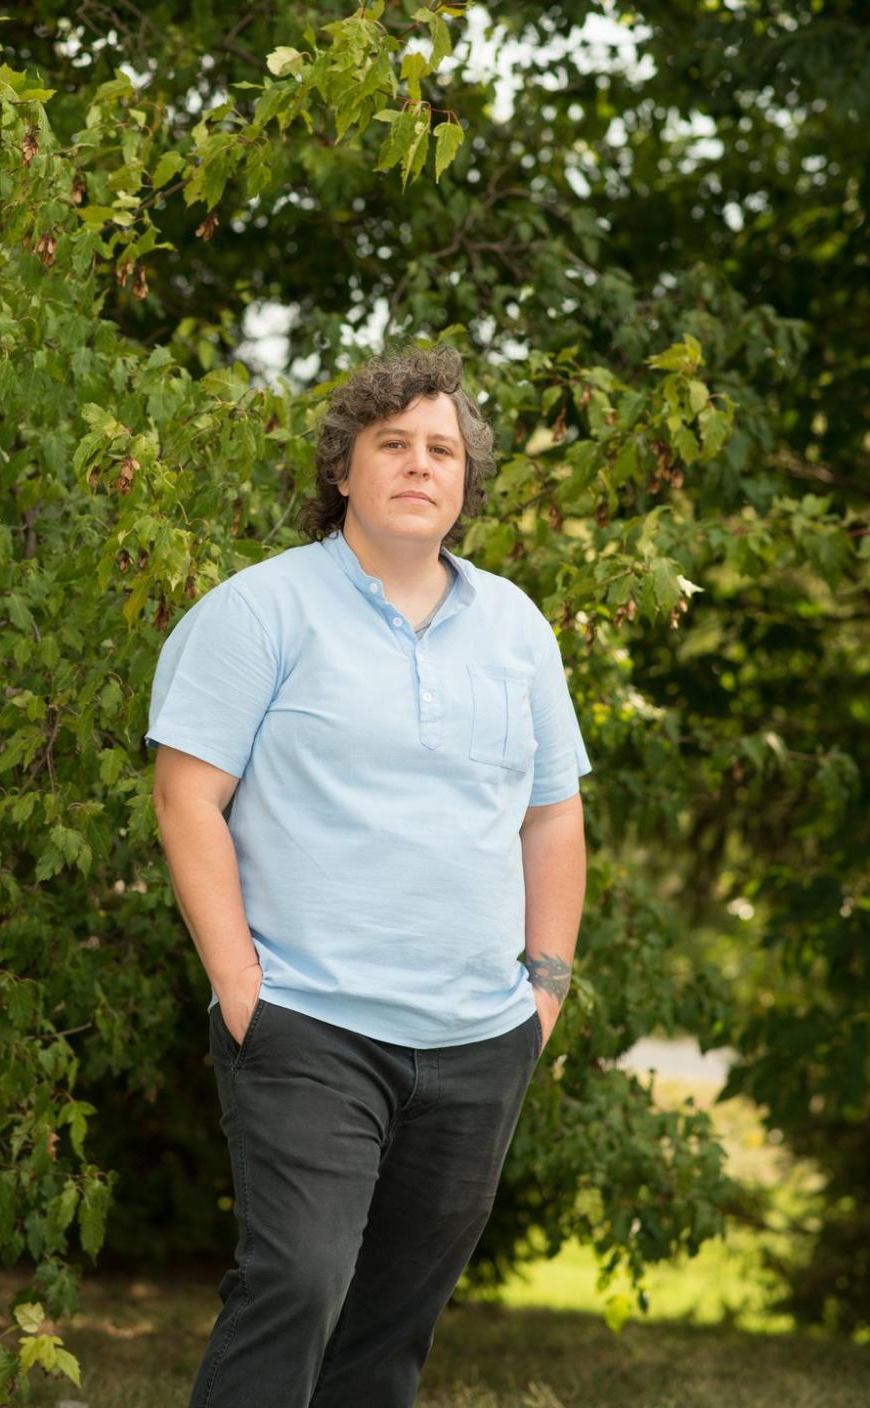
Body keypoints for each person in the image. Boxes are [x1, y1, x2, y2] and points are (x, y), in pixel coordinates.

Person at [144, 343, 592, 1408]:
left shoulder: (517, 630)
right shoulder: (260, 612)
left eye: (443, 450)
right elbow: (184, 797)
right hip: (307, 1022)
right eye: (393, 443)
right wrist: (243, 987)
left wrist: (544, 991)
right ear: (344, 467)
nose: (419, 464)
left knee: (393, 1323)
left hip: (480, 1036)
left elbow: (554, 813)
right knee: (297, 1280)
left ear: (466, 486)